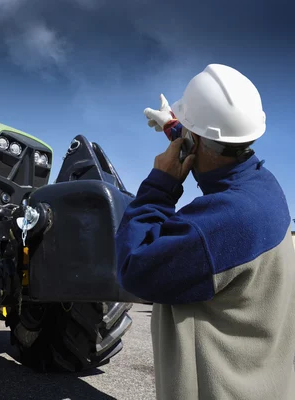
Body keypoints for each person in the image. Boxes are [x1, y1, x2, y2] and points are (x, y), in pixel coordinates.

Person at [115, 63, 295, 399]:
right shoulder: (263, 190)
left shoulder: (216, 225)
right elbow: (216, 151)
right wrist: (176, 129)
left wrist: (160, 186)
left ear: (195, 142)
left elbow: (133, 266)